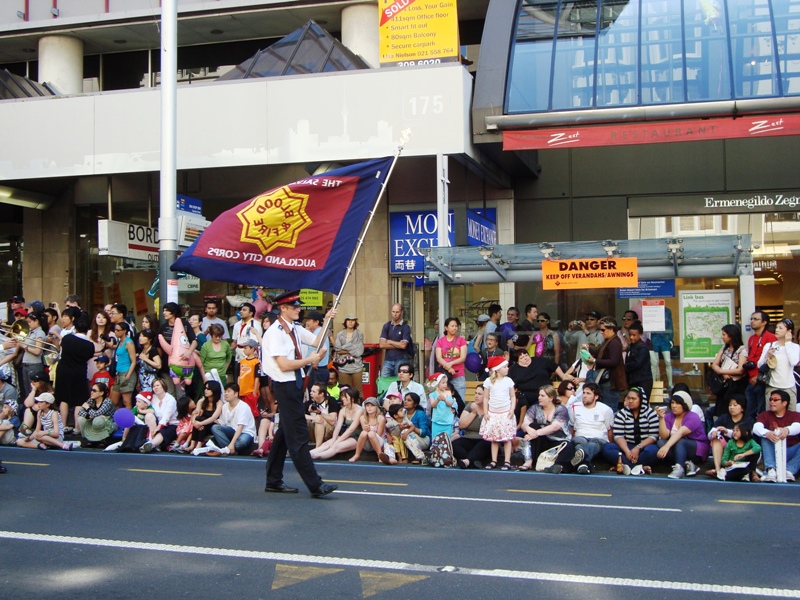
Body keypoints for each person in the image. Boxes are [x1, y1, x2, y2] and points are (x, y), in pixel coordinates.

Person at [263, 290, 338, 498]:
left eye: (298, 306)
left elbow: (316, 342)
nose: (299, 309)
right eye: (294, 306)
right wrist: (309, 360)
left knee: (284, 434)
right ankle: (315, 484)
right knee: (298, 435)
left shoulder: (294, 328)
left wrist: (327, 320)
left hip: (295, 385)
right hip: (284, 385)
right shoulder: (275, 333)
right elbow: (285, 364)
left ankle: (273, 480)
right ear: (283, 309)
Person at [601, 387, 660, 472]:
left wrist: (638, 447)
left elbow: (653, 436)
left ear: (641, 400)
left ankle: (625, 465)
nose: (630, 401)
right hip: (627, 446)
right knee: (608, 448)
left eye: (634, 399)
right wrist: (627, 451)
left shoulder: (650, 414)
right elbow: (618, 435)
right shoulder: (622, 413)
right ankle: (638, 468)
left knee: (653, 451)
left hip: (644, 446)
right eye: (628, 398)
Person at [518, 385, 574, 472]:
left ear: (551, 398)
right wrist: (530, 430)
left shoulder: (561, 409)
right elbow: (524, 424)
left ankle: (557, 466)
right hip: (542, 441)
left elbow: (555, 427)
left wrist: (535, 433)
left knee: (568, 447)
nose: (539, 398)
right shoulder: (535, 408)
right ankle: (529, 461)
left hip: (558, 441)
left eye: (542, 396)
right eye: (539, 395)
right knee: (533, 426)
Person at [656, 390, 710, 479]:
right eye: (672, 403)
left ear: (685, 405)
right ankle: (688, 464)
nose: (674, 406)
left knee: (680, 442)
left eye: (677, 403)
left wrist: (667, 446)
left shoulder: (693, 417)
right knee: (661, 442)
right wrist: (662, 418)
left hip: (697, 448)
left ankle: (679, 468)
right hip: (678, 446)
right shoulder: (669, 416)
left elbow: (680, 433)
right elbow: (664, 436)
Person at [54, 315, 95, 433]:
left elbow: (61, 348)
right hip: (79, 372)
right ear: (87, 329)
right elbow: (89, 357)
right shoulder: (89, 345)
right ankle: (77, 427)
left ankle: (63, 424)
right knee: (79, 399)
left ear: (75, 328)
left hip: (63, 370)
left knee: (64, 398)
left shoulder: (67, 338)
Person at [753, 389, 800, 483]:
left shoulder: (794, 415)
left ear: (784, 403)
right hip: (772, 451)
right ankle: (771, 469)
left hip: (790, 451)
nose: (771, 402)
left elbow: (798, 426)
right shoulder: (765, 415)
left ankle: (789, 470)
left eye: (775, 399)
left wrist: (787, 430)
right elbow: (756, 427)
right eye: (770, 399)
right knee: (765, 436)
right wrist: (767, 433)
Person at [480, 356, 517, 471]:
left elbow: (512, 396)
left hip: (505, 413)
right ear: (497, 369)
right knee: (494, 439)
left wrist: (512, 409)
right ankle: (494, 460)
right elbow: (486, 397)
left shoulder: (508, 381)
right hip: (493, 413)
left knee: (507, 438)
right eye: (505, 367)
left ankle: (507, 460)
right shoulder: (488, 382)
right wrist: (486, 412)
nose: (507, 369)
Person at [569, 382, 614, 473]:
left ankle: (580, 460)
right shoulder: (574, 407)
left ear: (596, 397)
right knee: (580, 442)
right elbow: (572, 427)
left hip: (598, 439)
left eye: (588, 393)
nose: (584, 396)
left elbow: (610, 430)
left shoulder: (606, 410)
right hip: (580, 437)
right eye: (584, 393)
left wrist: (611, 444)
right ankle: (584, 464)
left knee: (593, 444)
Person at [705, 395, 754, 478]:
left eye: (735, 405)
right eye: (730, 405)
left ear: (742, 408)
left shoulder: (748, 420)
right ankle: (718, 469)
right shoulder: (723, 418)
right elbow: (711, 433)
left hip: (741, 448)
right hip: (726, 447)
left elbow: (747, 437)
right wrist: (714, 433)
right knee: (716, 440)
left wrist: (727, 431)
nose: (732, 407)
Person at [309, 386, 363, 461]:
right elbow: (338, 427)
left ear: (352, 399)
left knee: (336, 446)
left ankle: (316, 456)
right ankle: (307, 454)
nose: (342, 399)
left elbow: (351, 429)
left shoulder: (360, 410)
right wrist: (334, 439)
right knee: (327, 443)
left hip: (357, 437)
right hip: (345, 435)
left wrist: (337, 441)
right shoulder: (343, 410)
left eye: (345, 397)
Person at [758, 318, 800, 411]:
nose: (777, 330)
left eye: (780, 328)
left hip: (789, 386)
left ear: (789, 331)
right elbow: (759, 365)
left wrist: (788, 343)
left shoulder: (795, 347)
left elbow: (794, 362)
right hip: (772, 386)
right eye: (776, 327)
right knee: (771, 415)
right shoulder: (769, 345)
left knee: (791, 416)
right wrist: (767, 356)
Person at [586, 317, 627, 410]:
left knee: (609, 409)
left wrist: (594, 361)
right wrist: (588, 348)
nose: (601, 332)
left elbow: (613, 361)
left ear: (611, 329)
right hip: (606, 381)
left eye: (603, 330)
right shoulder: (608, 341)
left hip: (611, 382)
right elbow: (598, 353)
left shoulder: (614, 342)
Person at [205, 382, 257, 456]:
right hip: (232, 430)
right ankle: (229, 449)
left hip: (245, 432)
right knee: (215, 428)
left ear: (236, 394)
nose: (226, 394)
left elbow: (240, 427)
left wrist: (232, 443)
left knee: (240, 443)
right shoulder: (225, 406)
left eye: (229, 392)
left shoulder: (243, 406)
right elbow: (222, 423)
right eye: (225, 391)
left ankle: (227, 449)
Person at [744, 311, 777, 420]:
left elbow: (771, 362)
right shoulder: (751, 339)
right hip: (750, 380)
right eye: (751, 319)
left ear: (764, 322)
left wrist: (757, 376)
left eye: (755, 319)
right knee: (750, 411)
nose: (752, 321)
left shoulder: (771, 338)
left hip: (761, 380)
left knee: (762, 411)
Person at [710, 324, 748, 417]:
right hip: (724, 384)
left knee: (734, 406)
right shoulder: (724, 348)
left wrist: (722, 371)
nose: (722, 337)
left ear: (731, 336)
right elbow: (715, 364)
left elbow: (740, 370)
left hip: (736, 384)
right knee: (722, 408)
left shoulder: (742, 350)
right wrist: (721, 372)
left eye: (724, 335)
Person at [451, 384, 491, 469]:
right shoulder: (470, 406)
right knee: (454, 444)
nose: (476, 396)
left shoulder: (491, 408)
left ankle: (467, 461)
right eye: (475, 393)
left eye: (479, 394)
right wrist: (473, 413)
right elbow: (462, 425)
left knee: (486, 444)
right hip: (469, 437)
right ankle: (473, 460)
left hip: (484, 439)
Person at [140, 377, 179, 453]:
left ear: (163, 386)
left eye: (157, 385)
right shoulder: (153, 398)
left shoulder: (170, 399)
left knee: (162, 432)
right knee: (149, 415)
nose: (155, 388)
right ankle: (151, 441)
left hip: (171, 425)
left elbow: (166, 418)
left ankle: (151, 444)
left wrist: (157, 429)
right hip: (158, 422)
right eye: (154, 386)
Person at [434, 317, 469, 401]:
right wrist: (449, 367)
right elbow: (438, 357)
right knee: (444, 400)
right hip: (444, 376)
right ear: (446, 327)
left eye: (456, 326)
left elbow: (463, 357)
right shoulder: (440, 341)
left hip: (458, 375)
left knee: (459, 400)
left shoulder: (461, 340)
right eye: (452, 326)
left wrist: (451, 363)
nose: (455, 328)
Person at [77, 381, 116, 446]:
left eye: (94, 391)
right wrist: (90, 416)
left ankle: (102, 440)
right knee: (80, 419)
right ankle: (88, 438)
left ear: (101, 393)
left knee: (99, 419)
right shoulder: (91, 400)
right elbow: (80, 412)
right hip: (94, 422)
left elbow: (97, 414)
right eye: (91, 390)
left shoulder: (107, 401)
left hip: (108, 423)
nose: (91, 392)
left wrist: (88, 408)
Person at [18, 311, 47, 397]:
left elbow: (38, 351)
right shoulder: (30, 332)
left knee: (33, 391)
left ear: (36, 321)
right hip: (26, 364)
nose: (28, 324)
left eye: (30, 322)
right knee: (27, 390)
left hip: (33, 365)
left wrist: (24, 346)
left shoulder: (40, 333)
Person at [189, 380, 223, 455]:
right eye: (205, 388)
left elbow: (213, 418)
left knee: (201, 421)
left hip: (212, 425)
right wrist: (195, 423)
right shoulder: (201, 401)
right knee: (198, 418)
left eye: (208, 389)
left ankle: (198, 446)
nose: (206, 390)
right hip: (201, 425)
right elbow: (195, 414)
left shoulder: (219, 403)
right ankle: (192, 445)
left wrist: (200, 423)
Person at [379, 303, 412, 377]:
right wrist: (398, 344)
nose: (395, 314)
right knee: (383, 382)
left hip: (401, 360)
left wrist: (390, 341)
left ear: (401, 312)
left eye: (397, 312)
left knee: (400, 382)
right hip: (388, 360)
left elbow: (403, 345)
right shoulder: (386, 326)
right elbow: (382, 345)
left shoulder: (405, 327)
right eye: (393, 312)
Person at [333, 314, 364, 394]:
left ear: (355, 322)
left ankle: (360, 405)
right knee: (345, 390)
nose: (350, 322)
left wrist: (344, 348)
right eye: (348, 320)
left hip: (357, 365)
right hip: (343, 366)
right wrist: (352, 348)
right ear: (345, 322)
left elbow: (359, 351)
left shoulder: (359, 334)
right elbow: (337, 349)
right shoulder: (340, 334)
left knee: (358, 390)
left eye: (353, 320)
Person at [349, 396, 386, 462]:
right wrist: (366, 429)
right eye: (367, 405)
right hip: (367, 443)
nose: (369, 408)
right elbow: (364, 431)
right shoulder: (362, 418)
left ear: (376, 407)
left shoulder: (381, 418)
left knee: (371, 433)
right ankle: (357, 454)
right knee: (364, 433)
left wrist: (370, 431)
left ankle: (379, 455)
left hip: (378, 442)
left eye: (372, 405)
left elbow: (379, 434)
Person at [304, 381, 340, 448]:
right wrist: (312, 418)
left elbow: (332, 421)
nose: (310, 393)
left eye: (313, 392)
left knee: (319, 420)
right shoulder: (310, 403)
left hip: (329, 430)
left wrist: (319, 413)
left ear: (321, 394)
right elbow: (298, 415)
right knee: (302, 421)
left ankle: (317, 448)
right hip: (314, 431)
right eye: (311, 391)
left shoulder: (331, 401)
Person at [111, 321, 137, 409]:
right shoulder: (119, 342)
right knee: (114, 401)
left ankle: (129, 421)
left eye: (118, 330)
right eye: (115, 330)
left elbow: (134, 361)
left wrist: (128, 374)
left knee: (127, 401)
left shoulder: (129, 342)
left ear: (124, 331)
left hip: (127, 371)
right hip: (119, 373)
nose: (116, 332)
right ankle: (119, 418)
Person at [625, 320, 653, 402]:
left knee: (642, 404)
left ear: (640, 334)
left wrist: (624, 367)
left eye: (634, 335)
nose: (631, 337)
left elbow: (637, 363)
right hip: (633, 380)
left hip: (643, 381)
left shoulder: (643, 347)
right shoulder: (630, 346)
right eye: (630, 335)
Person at [303, 311, 330, 384]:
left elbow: (323, 349)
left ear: (316, 322)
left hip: (317, 369)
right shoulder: (313, 333)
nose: (307, 323)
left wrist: (315, 362)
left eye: (309, 320)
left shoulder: (318, 333)